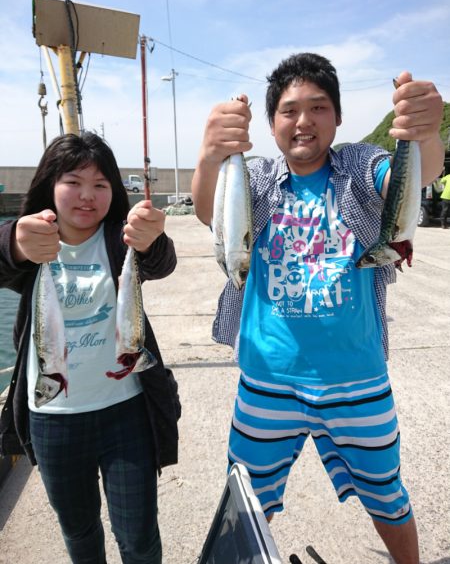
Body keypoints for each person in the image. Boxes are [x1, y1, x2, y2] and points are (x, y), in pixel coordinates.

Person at [191, 53, 444, 564]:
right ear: (271, 124)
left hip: (358, 379)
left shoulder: (358, 166)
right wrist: (208, 156)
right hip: (266, 380)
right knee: (246, 504)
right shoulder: (257, 177)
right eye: (288, 111)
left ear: (338, 117)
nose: (303, 120)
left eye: (318, 107)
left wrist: (425, 136)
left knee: (388, 497)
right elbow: (208, 210)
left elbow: (406, 181)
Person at [0, 132, 181, 564]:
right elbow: (4, 255)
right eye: (73, 182)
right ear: (50, 185)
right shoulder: (34, 242)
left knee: (138, 538)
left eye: (100, 185)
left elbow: (162, 262)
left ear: (113, 192)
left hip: (126, 412)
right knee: (79, 533)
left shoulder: (121, 241)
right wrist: (13, 243)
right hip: (54, 421)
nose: (87, 196)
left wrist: (152, 237)